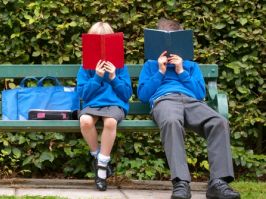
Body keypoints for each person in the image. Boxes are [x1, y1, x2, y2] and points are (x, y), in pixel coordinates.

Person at [138, 18, 240, 199]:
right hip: (164, 101)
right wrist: (160, 72)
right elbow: (144, 95)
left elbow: (200, 93)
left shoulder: (191, 65)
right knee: (171, 121)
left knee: (219, 122)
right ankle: (181, 183)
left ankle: (218, 183)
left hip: (192, 102)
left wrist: (181, 71)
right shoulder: (150, 65)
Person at [76, 22, 132, 191]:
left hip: (115, 104)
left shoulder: (120, 67)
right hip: (93, 105)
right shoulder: (85, 67)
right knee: (85, 120)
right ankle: (98, 158)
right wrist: (97, 77)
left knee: (110, 122)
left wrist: (114, 76)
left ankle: (101, 170)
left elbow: (126, 93)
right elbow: (83, 95)